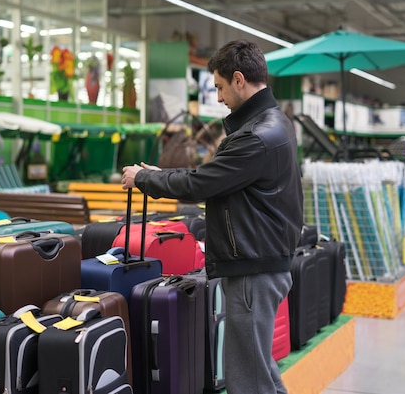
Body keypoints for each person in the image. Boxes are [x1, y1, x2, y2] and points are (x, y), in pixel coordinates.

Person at [121, 39, 303, 394]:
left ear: (239, 80)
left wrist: (145, 178)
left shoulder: (257, 136)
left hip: (254, 269)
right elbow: (220, 176)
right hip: (262, 261)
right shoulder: (274, 124)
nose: (218, 97)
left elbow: (202, 182)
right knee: (258, 370)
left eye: (220, 87)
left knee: (248, 380)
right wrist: (161, 174)